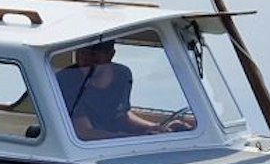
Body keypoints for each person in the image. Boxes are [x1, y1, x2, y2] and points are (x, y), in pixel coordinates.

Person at [55, 40, 195, 139]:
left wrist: (158, 128)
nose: (86, 59)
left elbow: (122, 115)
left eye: (95, 53)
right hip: (85, 146)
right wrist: (134, 138)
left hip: (115, 140)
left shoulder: (122, 74)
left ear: (110, 54)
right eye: (82, 53)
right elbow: (83, 132)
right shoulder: (66, 79)